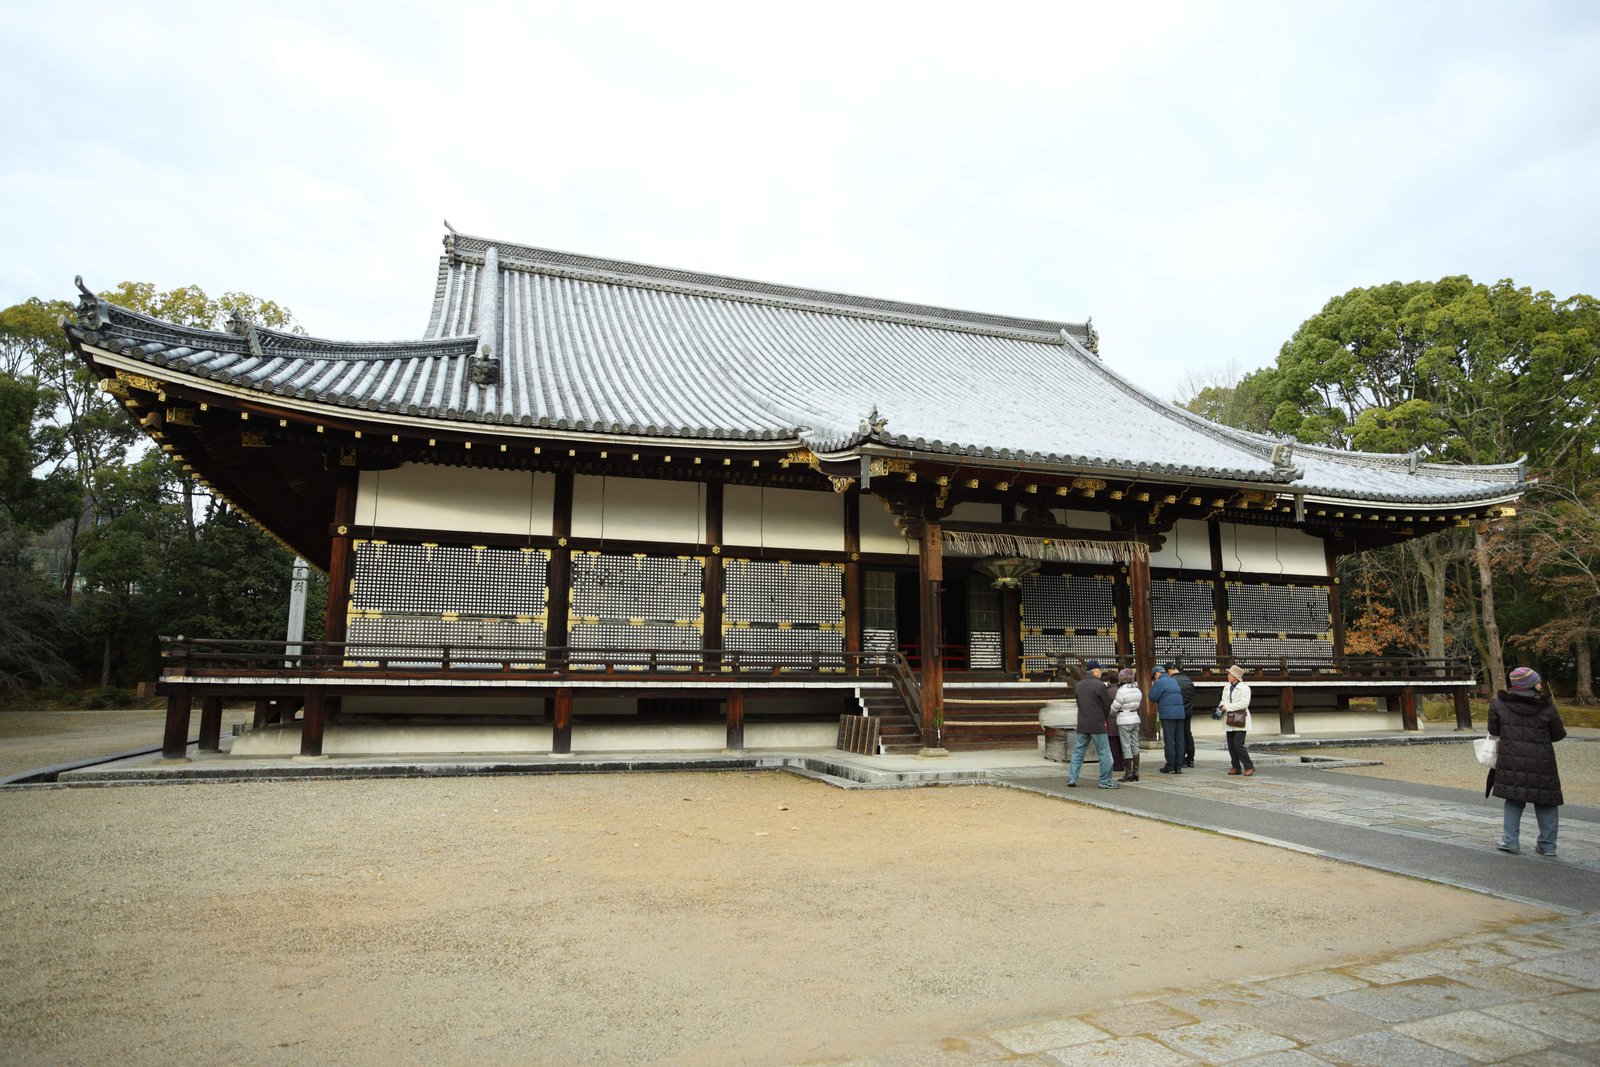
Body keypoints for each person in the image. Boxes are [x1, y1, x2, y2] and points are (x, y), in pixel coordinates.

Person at [1489, 667, 1565, 856]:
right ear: (1532, 684)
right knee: (1546, 801)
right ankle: (1548, 845)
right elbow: (1558, 734)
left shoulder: (1498, 703)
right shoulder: (1546, 705)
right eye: (1537, 681)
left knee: (1514, 798)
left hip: (1511, 759)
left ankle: (1510, 841)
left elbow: (1494, 730)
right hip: (1542, 761)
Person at [1068, 660, 1120, 789]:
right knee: (1104, 753)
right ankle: (1105, 780)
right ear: (1094, 671)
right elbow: (1107, 705)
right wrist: (1105, 717)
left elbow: (1079, 702)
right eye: (1100, 670)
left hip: (1082, 722)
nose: (1101, 672)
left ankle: (1072, 778)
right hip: (1097, 723)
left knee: (1078, 752)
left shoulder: (1078, 685)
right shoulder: (1099, 685)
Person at [1213, 663, 1254, 776]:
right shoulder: (1226, 687)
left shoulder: (1245, 688)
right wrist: (1220, 708)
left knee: (1238, 745)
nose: (1228, 676)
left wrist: (1227, 707)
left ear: (1236, 676)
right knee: (1231, 745)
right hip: (1229, 718)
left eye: (1230, 674)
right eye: (1228, 674)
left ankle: (1249, 766)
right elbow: (1223, 700)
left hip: (1241, 718)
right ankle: (1236, 767)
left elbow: (1244, 704)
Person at [1149, 666, 1186, 774]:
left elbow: (1152, 697)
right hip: (1179, 713)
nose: (1154, 679)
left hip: (1168, 715)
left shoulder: (1159, 682)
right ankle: (1178, 766)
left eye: (1154, 677)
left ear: (1157, 674)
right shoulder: (1173, 680)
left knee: (1169, 740)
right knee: (1179, 740)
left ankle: (1170, 765)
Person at [1111, 668, 1143, 782]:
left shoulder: (1121, 691)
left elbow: (1115, 707)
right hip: (1135, 717)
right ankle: (1136, 771)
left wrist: (1112, 713)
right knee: (1135, 745)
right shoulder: (1137, 690)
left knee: (1126, 745)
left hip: (1124, 719)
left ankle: (1128, 772)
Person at [1166, 663, 1197, 767]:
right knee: (1188, 733)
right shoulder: (1188, 679)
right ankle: (1191, 759)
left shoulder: (1172, 681)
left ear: (1169, 671)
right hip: (1188, 710)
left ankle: (1181, 758)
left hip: (1177, 711)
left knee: (1179, 735)